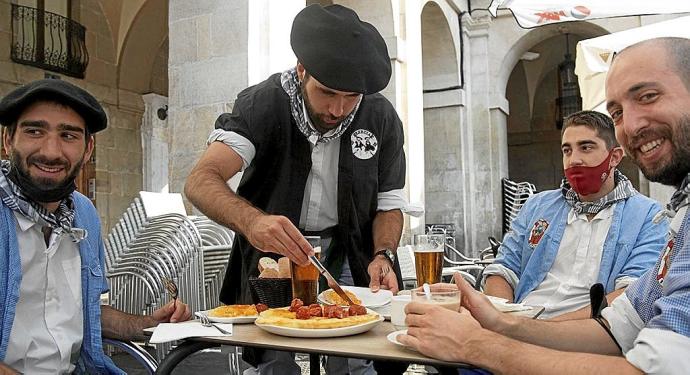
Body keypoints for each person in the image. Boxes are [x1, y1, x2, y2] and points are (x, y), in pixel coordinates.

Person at [399, 36, 690, 374]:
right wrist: (498, 321)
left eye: (648, 96)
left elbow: (657, 367)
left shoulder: (650, 216)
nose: (634, 124)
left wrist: (478, 344)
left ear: (614, 158)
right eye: (618, 112)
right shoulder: (678, 215)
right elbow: (619, 324)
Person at [185, 4, 407, 375]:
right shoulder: (263, 104)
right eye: (327, 92)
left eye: (351, 97)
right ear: (302, 68)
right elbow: (201, 180)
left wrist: (383, 253)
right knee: (273, 359)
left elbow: (389, 204)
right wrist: (254, 222)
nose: (338, 109)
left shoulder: (380, 116)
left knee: (353, 357)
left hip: (350, 251)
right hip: (274, 256)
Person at [0, 79, 192, 374]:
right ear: (7, 140)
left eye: (68, 135)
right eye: (34, 131)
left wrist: (148, 324)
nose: (51, 151)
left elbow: (86, 312)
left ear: (88, 148)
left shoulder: (84, 214)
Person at [483, 110, 667, 320]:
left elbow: (632, 294)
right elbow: (503, 269)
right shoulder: (537, 205)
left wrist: (540, 328)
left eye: (586, 147)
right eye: (567, 150)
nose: (574, 160)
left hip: (583, 332)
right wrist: (503, 318)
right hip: (519, 321)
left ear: (614, 157)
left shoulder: (648, 216)